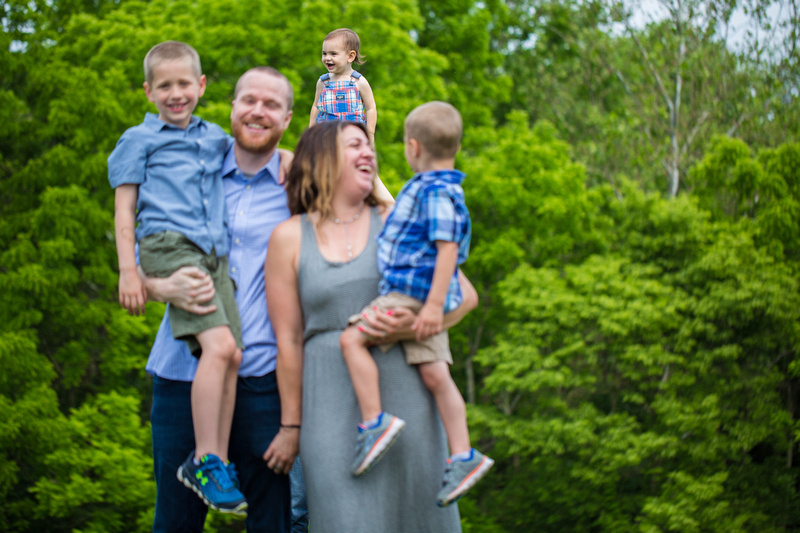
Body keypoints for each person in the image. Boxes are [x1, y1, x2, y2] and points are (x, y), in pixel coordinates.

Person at [266, 120, 477, 532]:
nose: (369, 153)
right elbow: (288, 341)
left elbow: (464, 297)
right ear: (322, 159)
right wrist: (291, 426)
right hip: (326, 407)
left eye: (370, 145)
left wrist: (404, 328)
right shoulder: (289, 237)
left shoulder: (397, 219)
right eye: (355, 146)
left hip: (410, 399)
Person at [142, 66, 299, 532]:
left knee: (272, 522)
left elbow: (363, 217)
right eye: (249, 99)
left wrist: (293, 424)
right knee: (174, 522)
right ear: (231, 106)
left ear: (288, 118)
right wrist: (161, 287)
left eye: (272, 105)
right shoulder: (190, 172)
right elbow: (140, 257)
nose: (258, 111)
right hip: (180, 374)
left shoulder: (299, 187)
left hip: (263, 382)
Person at [107, 41, 246, 514]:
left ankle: (217, 461)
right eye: (164, 86)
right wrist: (132, 271)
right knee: (221, 348)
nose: (175, 93)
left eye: (184, 83)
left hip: (213, 254)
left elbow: (257, 153)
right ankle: (204, 459)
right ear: (148, 91)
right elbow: (124, 206)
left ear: (201, 86)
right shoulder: (138, 140)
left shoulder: (214, 138)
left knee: (234, 356)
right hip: (168, 246)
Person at [339, 101, 494, 507]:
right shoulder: (438, 188)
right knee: (436, 374)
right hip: (425, 297)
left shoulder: (434, 191)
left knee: (352, 341)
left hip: (411, 293)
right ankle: (463, 455)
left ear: (412, 147)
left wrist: (432, 306)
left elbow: (447, 251)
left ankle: (374, 422)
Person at [309, 28, 377, 146]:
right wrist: (311, 129)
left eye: (333, 54)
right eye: (324, 53)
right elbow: (316, 106)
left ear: (350, 56)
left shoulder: (359, 81)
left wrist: (370, 133)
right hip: (326, 136)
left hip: (353, 137)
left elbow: (371, 108)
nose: (327, 58)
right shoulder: (323, 82)